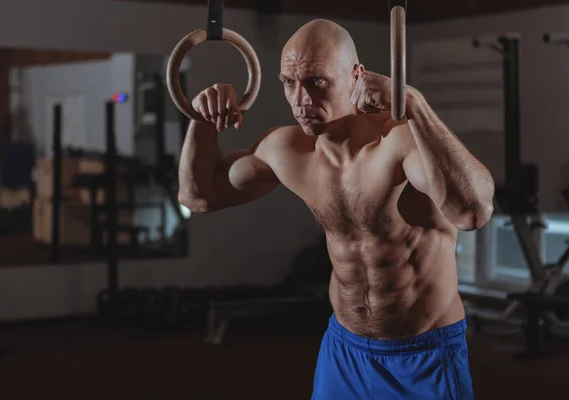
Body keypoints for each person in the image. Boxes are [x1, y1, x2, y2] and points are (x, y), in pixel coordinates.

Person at [178, 19, 494, 400]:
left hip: (423, 356)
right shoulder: (289, 150)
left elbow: (474, 212)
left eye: (316, 81)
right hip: (345, 353)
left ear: (356, 76)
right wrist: (200, 121)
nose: (301, 100)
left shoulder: (399, 143)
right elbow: (199, 196)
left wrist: (413, 104)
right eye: (289, 83)